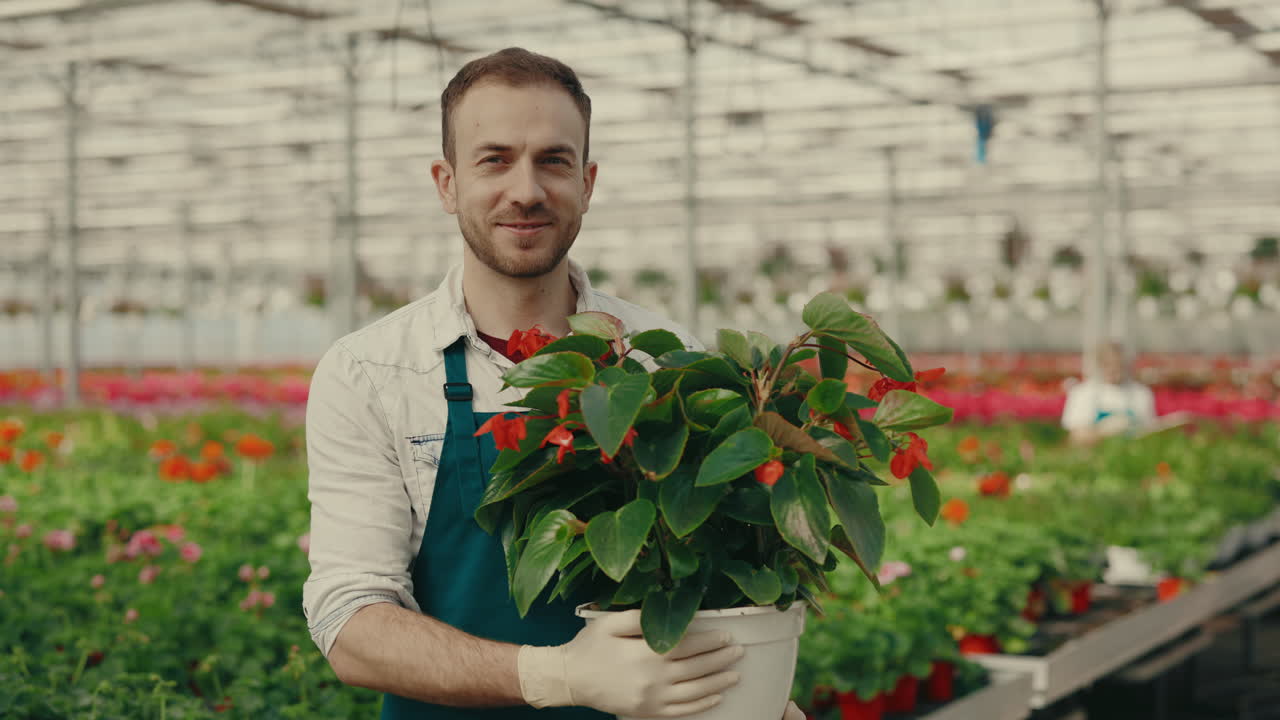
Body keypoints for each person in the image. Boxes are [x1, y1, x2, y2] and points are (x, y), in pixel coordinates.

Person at [302, 48, 805, 720]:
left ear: (588, 182)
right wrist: (561, 675)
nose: (527, 190)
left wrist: (757, 694)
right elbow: (352, 626)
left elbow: (714, 580)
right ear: (446, 183)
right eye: (494, 159)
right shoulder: (372, 372)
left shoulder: (665, 360)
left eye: (554, 160)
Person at [1061, 341, 1187, 446]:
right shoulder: (1083, 393)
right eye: (1107, 364)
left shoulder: (1140, 393)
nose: (1113, 369)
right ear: (1098, 365)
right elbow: (1076, 438)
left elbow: (1148, 431)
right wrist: (1105, 432)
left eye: (1118, 365)